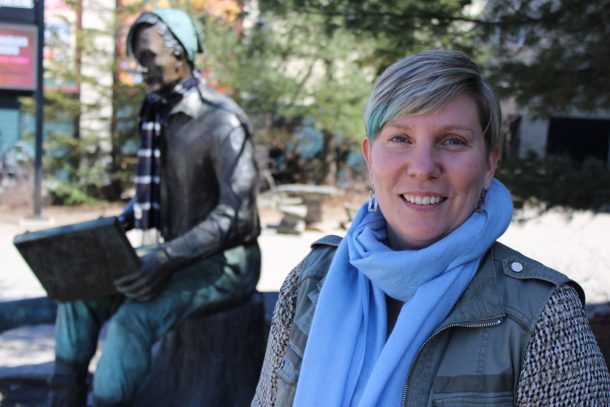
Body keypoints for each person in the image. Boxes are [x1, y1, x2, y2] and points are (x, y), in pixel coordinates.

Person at [252, 50, 610, 406]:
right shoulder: (310, 282)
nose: (423, 167)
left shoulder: (543, 317)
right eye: (400, 138)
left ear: (489, 164)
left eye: (453, 140)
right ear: (369, 158)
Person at [48, 8, 261, 407]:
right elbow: (162, 193)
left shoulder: (222, 122)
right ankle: (64, 395)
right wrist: (122, 223)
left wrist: (165, 258)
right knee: (78, 295)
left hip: (227, 265)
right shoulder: (159, 115)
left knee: (133, 318)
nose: (140, 68)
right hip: (175, 256)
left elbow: (239, 216)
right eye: (137, 59)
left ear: (179, 53)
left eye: (148, 57)